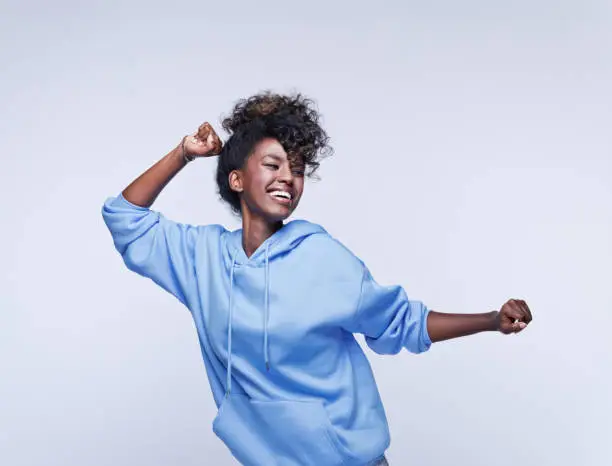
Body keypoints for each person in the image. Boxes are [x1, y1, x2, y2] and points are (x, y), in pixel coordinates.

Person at [101, 92, 533, 466]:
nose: (288, 176)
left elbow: (400, 323)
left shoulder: (322, 258)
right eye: (273, 164)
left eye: (298, 169)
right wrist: (185, 153)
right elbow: (124, 217)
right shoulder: (202, 259)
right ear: (237, 179)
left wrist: (492, 319)